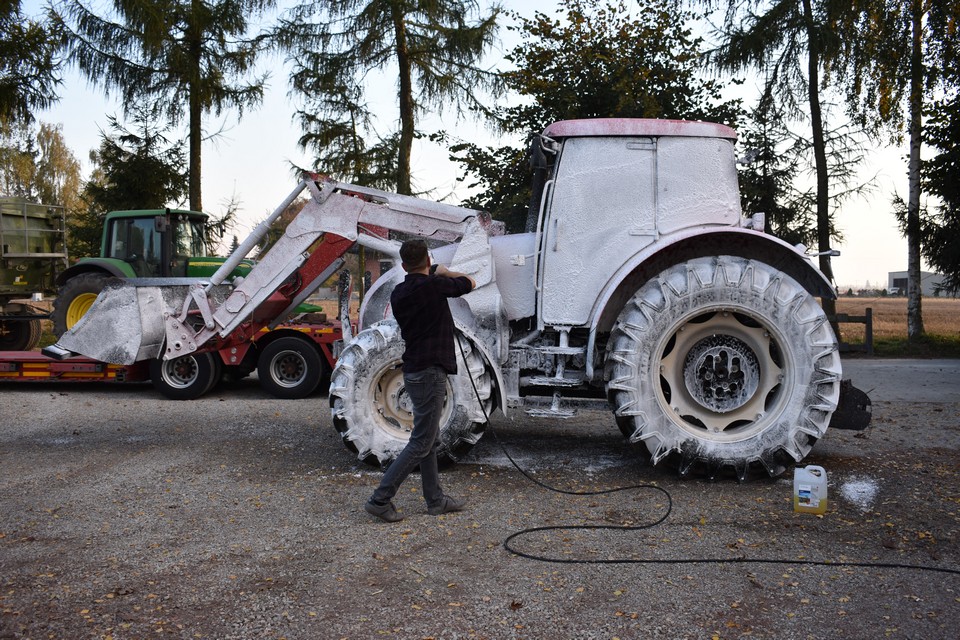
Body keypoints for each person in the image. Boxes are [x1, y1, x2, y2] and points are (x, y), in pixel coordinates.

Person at [364, 239, 476, 523]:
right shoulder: (435, 286)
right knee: (421, 441)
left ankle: (435, 500)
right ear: (428, 260)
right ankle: (380, 499)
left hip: (413, 371)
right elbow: (470, 283)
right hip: (430, 372)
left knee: (430, 437)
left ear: (403, 266)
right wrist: (445, 271)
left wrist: (429, 272)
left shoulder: (399, 293)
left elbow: (420, 284)